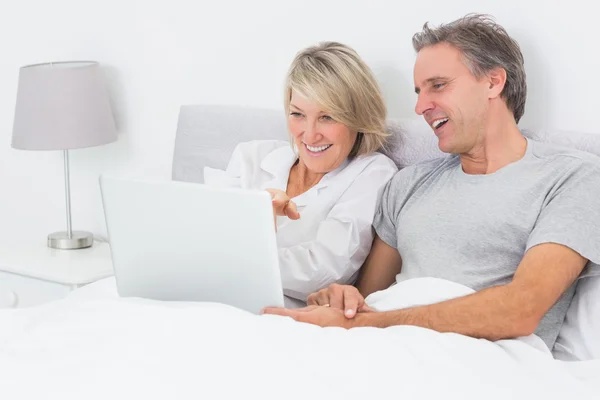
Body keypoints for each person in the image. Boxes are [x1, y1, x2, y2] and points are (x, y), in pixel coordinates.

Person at [263, 14, 600, 351]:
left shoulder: (571, 177)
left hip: (483, 357)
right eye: (419, 91)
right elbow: (367, 299)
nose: (421, 106)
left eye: (438, 85)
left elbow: (521, 310)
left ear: (494, 82)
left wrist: (370, 323)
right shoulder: (408, 185)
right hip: (382, 346)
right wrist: (344, 299)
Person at [204, 42, 398, 308]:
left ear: (358, 116)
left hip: (277, 313)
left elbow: (325, 269)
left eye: (327, 117)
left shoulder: (373, 173)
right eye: (297, 114)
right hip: (209, 295)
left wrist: (244, 246)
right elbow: (204, 237)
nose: (309, 134)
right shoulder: (251, 156)